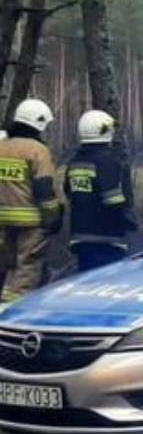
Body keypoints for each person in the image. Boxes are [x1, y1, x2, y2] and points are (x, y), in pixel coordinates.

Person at [0, 98, 61, 302]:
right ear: (39, 122)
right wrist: (53, 217)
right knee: (26, 267)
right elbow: (44, 189)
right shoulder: (37, 150)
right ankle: (12, 308)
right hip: (31, 222)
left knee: (6, 265)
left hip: (3, 221)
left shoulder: (1, 146)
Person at [65, 110, 136, 272]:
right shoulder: (107, 161)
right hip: (107, 237)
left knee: (87, 281)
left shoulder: (75, 161)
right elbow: (113, 200)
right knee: (107, 282)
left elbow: (68, 191)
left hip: (81, 235)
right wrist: (126, 219)